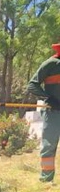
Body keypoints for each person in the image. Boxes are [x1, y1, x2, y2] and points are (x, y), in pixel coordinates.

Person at [26, 42, 60, 183]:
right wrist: (48, 98)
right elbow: (32, 85)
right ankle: (46, 178)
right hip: (53, 112)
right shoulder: (51, 64)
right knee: (49, 144)